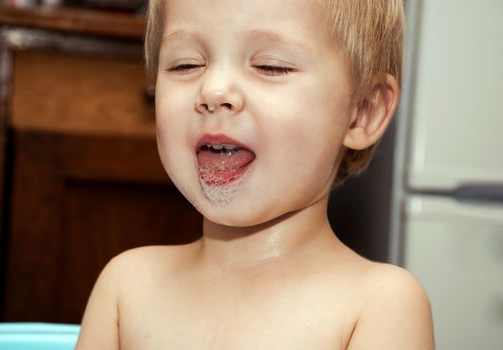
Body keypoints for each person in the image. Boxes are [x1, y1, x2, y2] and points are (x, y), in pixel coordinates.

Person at [75, 0, 435, 348]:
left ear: (362, 111)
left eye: (270, 66)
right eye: (186, 65)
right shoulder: (126, 286)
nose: (213, 92)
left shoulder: (378, 304)